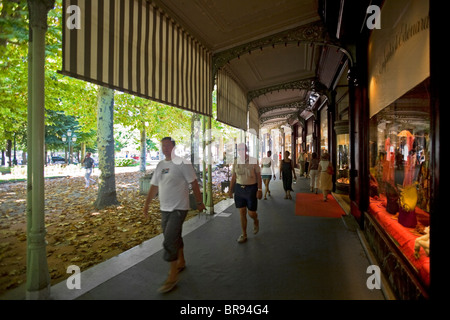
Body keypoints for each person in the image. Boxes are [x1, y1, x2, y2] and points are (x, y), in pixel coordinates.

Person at [143, 137, 205, 293]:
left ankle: (172, 276)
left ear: (174, 146)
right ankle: (181, 260)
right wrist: (146, 204)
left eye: (168, 145)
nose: (165, 148)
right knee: (174, 235)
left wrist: (199, 202)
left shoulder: (183, 163)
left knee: (170, 238)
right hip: (165, 208)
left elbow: (194, 183)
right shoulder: (160, 165)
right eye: (162, 146)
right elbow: (154, 186)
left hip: (179, 208)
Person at [228, 143, 262, 244]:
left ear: (246, 150)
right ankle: (244, 234)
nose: (241, 151)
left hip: (251, 189)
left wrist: (259, 190)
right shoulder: (236, 161)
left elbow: (258, 176)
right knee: (242, 212)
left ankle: (255, 220)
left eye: (243, 149)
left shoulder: (253, 161)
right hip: (239, 189)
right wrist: (230, 190)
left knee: (251, 213)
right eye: (239, 149)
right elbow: (234, 177)